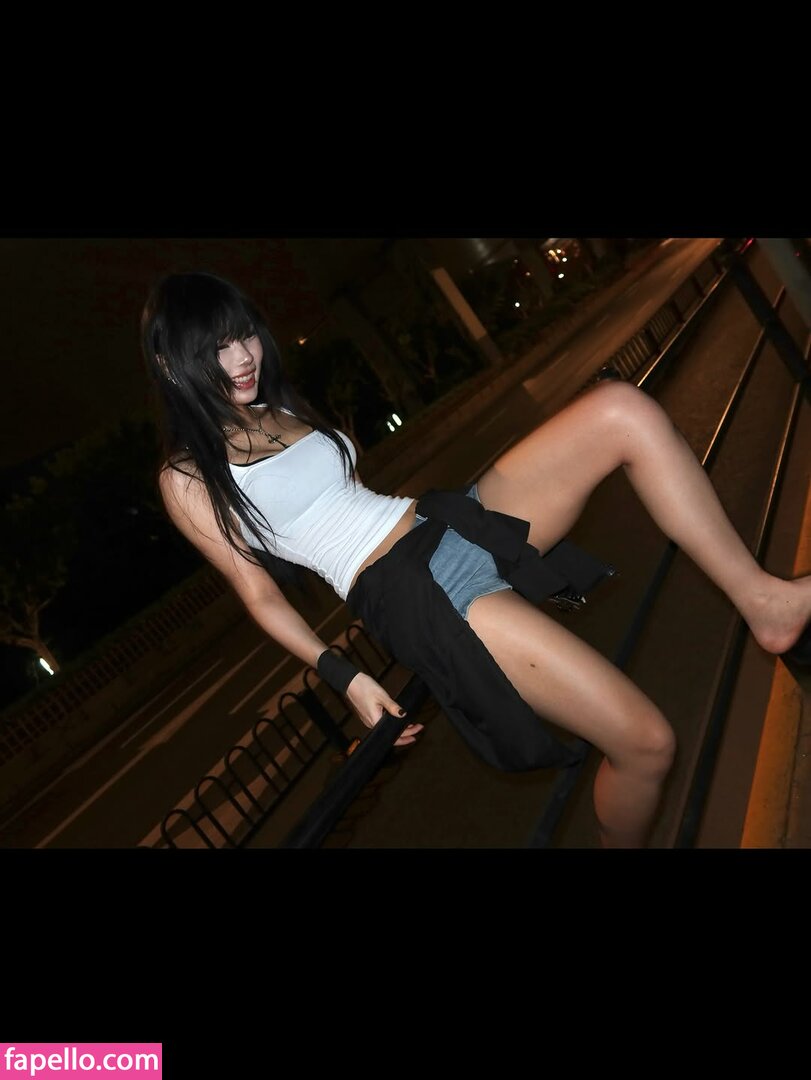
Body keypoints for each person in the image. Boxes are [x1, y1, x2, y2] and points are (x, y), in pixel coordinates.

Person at [141, 270, 811, 849]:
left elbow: (350, 493)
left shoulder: (275, 406)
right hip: (411, 587)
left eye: (243, 335)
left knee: (620, 409)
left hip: (442, 519)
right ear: (173, 365)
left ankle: (765, 602)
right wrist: (345, 677)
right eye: (216, 347)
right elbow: (259, 595)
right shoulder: (188, 477)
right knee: (647, 745)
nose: (242, 357)